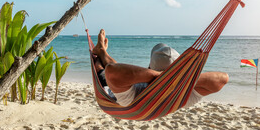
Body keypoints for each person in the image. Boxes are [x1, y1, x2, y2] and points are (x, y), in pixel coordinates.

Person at [93, 29, 229, 108]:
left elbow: (111, 71)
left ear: (149, 67)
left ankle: (101, 52)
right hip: (120, 82)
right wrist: (176, 76)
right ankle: (102, 51)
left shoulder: (136, 95)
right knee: (114, 68)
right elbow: (222, 79)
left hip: (110, 87)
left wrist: (162, 77)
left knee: (100, 68)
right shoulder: (185, 95)